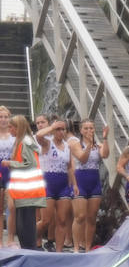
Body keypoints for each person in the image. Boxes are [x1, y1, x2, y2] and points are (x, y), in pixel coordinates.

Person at [1, 115, 45, 249]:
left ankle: (31, 260)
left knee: (26, 232)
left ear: (18, 128)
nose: (9, 130)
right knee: (22, 231)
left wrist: (10, 163)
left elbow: (30, 164)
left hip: (29, 194)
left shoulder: (26, 142)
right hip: (23, 194)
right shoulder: (21, 142)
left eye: (11, 127)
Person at [69, 118, 108, 253]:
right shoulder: (76, 144)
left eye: (91, 128)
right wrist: (89, 145)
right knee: (80, 216)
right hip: (80, 180)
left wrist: (105, 139)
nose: (89, 131)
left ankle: (87, 247)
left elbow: (105, 154)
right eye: (86, 128)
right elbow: (82, 159)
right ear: (81, 130)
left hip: (94, 181)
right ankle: (75, 247)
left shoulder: (98, 146)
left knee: (92, 218)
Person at [36, 117, 74, 252]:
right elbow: (38, 135)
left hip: (63, 185)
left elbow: (70, 167)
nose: (60, 132)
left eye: (63, 129)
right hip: (48, 184)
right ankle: (33, 238)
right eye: (58, 129)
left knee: (62, 220)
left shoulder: (67, 146)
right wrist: (51, 127)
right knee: (46, 220)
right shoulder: (47, 143)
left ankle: (58, 252)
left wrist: (73, 185)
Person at [0, 106, 13, 246]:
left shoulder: (13, 136)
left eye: (5, 117)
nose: (3, 120)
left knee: (11, 207)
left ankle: (10, 239)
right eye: (0, 117)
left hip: (11, 171)